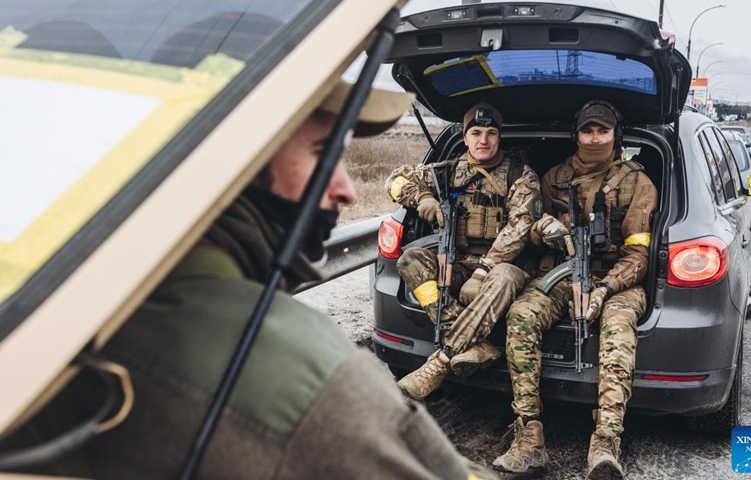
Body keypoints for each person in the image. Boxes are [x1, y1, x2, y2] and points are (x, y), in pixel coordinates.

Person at [41, 81, 499, 480]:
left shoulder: (67, 303)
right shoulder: (312, 372)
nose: (346, 190)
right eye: (322, 155)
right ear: (236, 165)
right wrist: (426, 203)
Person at [492, 101, 658, 479]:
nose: (595, 138)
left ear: (616, 134)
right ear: (577, 134)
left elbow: (638, 255)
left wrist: (604, 290)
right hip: (563, 274)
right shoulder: (554, 177)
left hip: (617, 279)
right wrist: (540, 230)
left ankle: (605, 444)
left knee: (617, 327)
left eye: (603, 131)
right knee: (521, 316)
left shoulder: (636, 182)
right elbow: (528, 239)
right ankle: (528, 438)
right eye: (588, 131)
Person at [386, 102, 542, 401]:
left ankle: (442, 359)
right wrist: (422, 198)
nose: (483, 140)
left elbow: (520, 227)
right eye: (476, 132)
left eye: (491, 133)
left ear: (500, 137)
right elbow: (393, 180)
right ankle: (473, 343)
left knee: (505, 275)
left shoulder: (521, 176)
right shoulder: (446, 172)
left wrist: (483, 271)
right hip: (457, 264)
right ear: (465, 137)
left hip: (501, 269)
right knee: (411, 259)